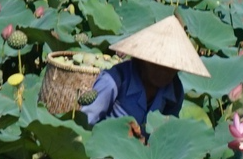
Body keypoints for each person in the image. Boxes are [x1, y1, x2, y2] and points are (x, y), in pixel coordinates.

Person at [81, 15, 209, 141]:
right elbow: (83, 128)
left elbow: (165, 137)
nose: (165, 70)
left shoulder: (175, 91)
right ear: (143, 58)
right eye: (159, 62)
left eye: (172, 65)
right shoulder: (113, 82)